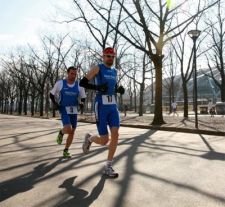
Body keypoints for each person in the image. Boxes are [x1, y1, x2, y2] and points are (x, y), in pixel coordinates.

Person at [79, 47, 125, 178]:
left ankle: (108, 166)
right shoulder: (97, 68)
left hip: (112, 106)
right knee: (104, 140)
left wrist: (118, 89)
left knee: (115, 134)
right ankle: (90, 138)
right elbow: (82, 83)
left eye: (112, 57)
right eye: (107, 56)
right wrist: (98, 87)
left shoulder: (115, 71)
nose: (110, 58)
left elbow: (112, 86)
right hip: (101, 106)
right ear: (103, 57)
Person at [50, 66, 86, 158]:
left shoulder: (79, 85)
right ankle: (61, 132)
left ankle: (66, 150)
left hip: (74, 110)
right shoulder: (60, 83)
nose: (73, 76)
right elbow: (51, 94)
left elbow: (83, 97)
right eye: (72, 73)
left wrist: (81, 103)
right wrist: (54, 103)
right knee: (68, 128)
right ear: (68, 73)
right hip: (63, 108)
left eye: (75, 74)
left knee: (72, 132)